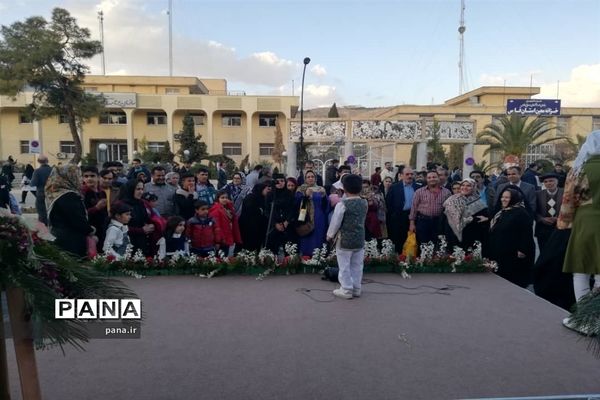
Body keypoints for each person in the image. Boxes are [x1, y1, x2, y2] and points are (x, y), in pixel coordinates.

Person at [559, 131, 600, 311]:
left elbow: (568, 200)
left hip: (585, 221)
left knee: (580, 268)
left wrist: (564, 223)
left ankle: (583, 314)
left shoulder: (579, 169)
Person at [326, 174, 368, 299]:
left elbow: (335, 222)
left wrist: (329, 235)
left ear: (344, 188)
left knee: (344, 265)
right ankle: (356, 288)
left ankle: (346, 289)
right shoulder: (364, 202)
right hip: (359, 238)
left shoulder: (342, 204)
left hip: (344, 240)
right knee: (357, 265)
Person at [488, 187, 535, 288]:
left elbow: (526, 233)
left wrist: (523, 249)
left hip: (512, 253)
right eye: (502, 197)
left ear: (514, 199)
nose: (503, 199)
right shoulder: (503, 211)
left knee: (512, 279)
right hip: (501, 250)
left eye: (507, 197)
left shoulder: (520, 213)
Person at [45, 164, 95, 257]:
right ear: (70, 176)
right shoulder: (68, 196)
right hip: (71, 241)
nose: (80, 179)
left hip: (58, 236)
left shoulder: (55, 193)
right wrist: (90, 230)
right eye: (78, 175)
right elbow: (77, 220)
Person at [442, 178, 489, 251]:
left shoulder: (479, 203)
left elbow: (483, 219)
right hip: (453, 236)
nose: (465, 187)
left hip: (472, 237)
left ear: (474, 187)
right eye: (463, 185)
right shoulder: (452, 200)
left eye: (468, 185)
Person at [409, 170, 451, 247]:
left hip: (439, 222)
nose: (432, 179)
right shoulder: (419, 192)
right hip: (423, 221)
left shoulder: (447, 192)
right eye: (429, 177)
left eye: (434, 177)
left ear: (438, 178)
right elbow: (414, 208)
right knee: (423, 245)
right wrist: (412, 224)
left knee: (437, 245)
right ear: (426, 179)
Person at [295, 170, 330, 256]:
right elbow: (296, 203)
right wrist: (305, 195)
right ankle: (306, 258)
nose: (310, 178)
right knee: (307, 237)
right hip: (306, 217)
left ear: (315, 178)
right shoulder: (301, 189)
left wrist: (324, 196)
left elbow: (326, 205)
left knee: (319, 238)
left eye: (312, 176)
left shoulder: (321, 189)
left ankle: (318, 258)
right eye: (308, 177)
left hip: (319, 218)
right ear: (305, 179)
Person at [118, 179, 153, 256]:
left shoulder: (141, 203)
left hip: (141, 240)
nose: (141, 192)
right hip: (126, 241)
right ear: (130, 189)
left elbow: (145, 218)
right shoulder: (121, 205)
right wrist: (141, 230)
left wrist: (151, 225)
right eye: (138, 189)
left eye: (142, 189)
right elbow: (119, 227)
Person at [386, 167, 417, 253]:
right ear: (401, 175)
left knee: (412, 240)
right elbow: (388, 203)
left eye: (411, 174)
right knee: (399, 241)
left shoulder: (418, 187)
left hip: (414, 217)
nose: (410, 176)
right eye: (407, 174)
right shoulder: (394, 187)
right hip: (399, 217)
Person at [265, 174, 296, 252]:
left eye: (282, 181)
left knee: (289, 250)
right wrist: (275, 224)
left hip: (287, 225)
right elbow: (267, 211)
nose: (280, 183)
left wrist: (287, 222)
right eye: (278, 181)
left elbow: (293, 209)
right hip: (274, 226)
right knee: (272, 250)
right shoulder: (270, 195)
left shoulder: (289, 194)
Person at [81, 166, 109, 252]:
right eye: (86, 176)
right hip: (90, 229)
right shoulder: (82, 193)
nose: (89, 179)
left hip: (102, 228)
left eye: (92, 176)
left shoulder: (102, 192)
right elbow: (81, 213)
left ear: (98, 177)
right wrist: (96, 208)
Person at [535, 173, 563, 252]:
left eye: (551, 181)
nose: (548, 183)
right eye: (546, 181)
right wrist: (542, 219)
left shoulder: (564, 193)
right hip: (543, 229)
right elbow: (534, 210)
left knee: (558, 253)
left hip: (560, 228)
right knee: (544, 252)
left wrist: (559, 218)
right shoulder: (538, 194)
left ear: (557, 182)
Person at [239, 183, 271, 251]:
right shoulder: (251, 198)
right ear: (261, 189)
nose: (268, 191)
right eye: (267, 189)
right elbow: (251, 212)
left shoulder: (263, 198)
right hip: (248, 230)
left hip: (258, 230)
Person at [209, 190, 241, 257]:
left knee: (225, 256)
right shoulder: (216, 210)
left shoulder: (228, 208)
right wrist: (218, 241)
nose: (225, 199)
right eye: (222, 198)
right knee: (220, 257)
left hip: (227, 235)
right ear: (218, 199)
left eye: (226, 197)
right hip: (221, 239)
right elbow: (216, 227)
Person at [30, 155, 53, 224]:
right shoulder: (53, 170)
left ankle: (43, 223)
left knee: (41, 209)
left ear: (38, 162)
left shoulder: (37, 171)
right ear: (47, 161)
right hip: (52, 192)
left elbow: (33, 183)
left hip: (41, 192)